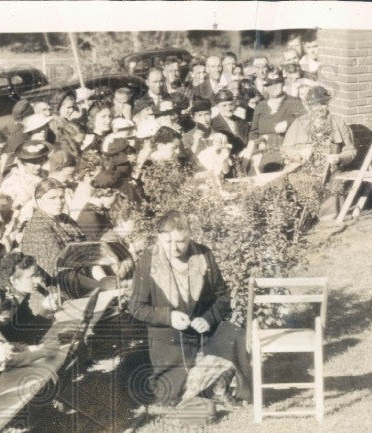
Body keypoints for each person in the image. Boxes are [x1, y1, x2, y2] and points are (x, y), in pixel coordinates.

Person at [128, 211, 251, 407]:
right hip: (169, 338)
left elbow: (223, 297)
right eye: (168, 242)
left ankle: (218, 387)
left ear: (189, 235)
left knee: (237, 336)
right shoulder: (147, 262)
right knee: (171, 393)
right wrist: (168, 317)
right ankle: (208, 388)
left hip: (204, 333)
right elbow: (135, 307)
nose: (175, 248)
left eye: (181, 241)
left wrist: (209, 318)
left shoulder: (203, 255)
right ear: (159, 237)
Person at [20, 177, 87, 279]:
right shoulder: (38, 227)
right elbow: (59, 268)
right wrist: (97, 285)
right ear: (39, 201)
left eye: (61, 197)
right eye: (52, 198)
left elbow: (88, 253)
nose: (59, 202)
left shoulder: (67, 219)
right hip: (58, 285)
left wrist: (102, 279)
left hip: (81, 277)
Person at [242, 69, 306, 173]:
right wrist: (254, 146)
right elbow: (253, 130)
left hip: (284, 145)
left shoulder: (294, 102)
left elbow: (305, 119)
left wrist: (288, 122)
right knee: (253, 172)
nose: (274, 87)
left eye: (278, 83)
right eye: (270, 85)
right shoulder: (261, 105)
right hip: (262, 145)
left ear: (283, 84)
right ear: (266, 88)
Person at [283, 85, 357, 171]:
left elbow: (351, 151)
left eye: (323, 104)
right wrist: (299, 153)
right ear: (309, 106)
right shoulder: (298, 124)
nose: (319, 108)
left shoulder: (339, 123)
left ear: (327, 104)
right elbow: (285, 149)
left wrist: (339, 158)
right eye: (315, 105)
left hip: (329, 172)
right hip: (301, 169)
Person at [0, 140, 49, 213]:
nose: (38, 166)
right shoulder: (11, 181)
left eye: (41, 161)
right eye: (33, 162)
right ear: (22, 162)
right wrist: (23, 200)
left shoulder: (45, 175)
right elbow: (5, 210)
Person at [210, 89, 249, 156]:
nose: (228, 108)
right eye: (224, 105)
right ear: (217, 106)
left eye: (231, 104)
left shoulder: (242, 122)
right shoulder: (212, 124)